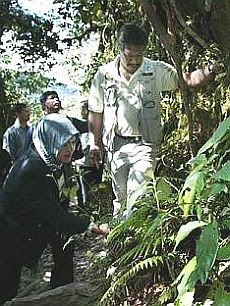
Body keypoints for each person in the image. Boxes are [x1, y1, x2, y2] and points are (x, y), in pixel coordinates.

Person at [88, 22, 221, 218]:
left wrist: (211, 70)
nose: (134, 61)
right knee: (121, 196)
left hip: (145, 144)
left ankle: (132, 237)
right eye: (129, 55)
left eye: (138, 55)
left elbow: (187, 81)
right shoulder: (104, 75)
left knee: (137, 193)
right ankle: (120, 239)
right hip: (115, 146)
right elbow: (96, 110)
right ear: (119, 47)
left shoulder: (154, 70)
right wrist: (94, 144)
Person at [0, 113, 107, 304]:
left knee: (65, 241)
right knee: (7, 286)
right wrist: (94, 228)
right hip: (9, 236)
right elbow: (52, 213)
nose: (70, 149)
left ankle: (62, 293)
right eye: (64, 144)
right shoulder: (32, 168)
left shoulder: (50, 159)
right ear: (50, 139)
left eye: (73, 143)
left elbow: (59, 205)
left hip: (33, 226)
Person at [76, 100, 104, 208]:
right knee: (84, 191)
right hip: (83, 164)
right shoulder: (78, 125)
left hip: (96, 163)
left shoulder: (98, 125)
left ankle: (94, 210)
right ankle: (84, 210)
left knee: (95, 189)